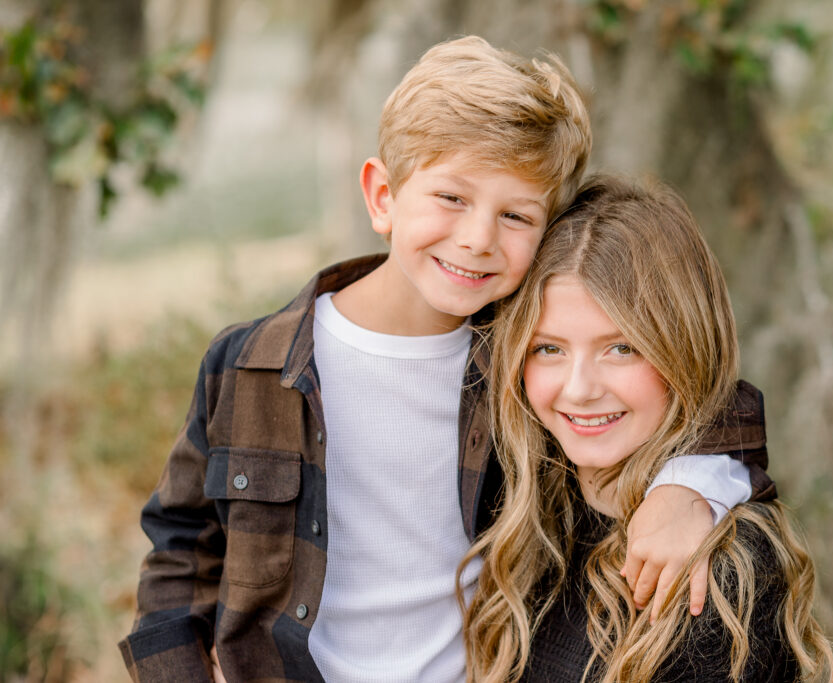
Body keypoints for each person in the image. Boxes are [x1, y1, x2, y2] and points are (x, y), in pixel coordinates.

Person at [118, 37, 776, 682]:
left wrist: (689, 486)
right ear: (382, 196)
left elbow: (714, 404)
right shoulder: (250, 366)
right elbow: (179, 552)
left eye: (516, 215)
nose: (477, 238)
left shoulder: (518, 364)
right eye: (451, 198)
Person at [461, 177, 833, 682]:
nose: (579, 389)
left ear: (683, 349)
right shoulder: (527, 507)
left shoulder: (714, 573)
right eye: (548, 348)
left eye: (622, 348)